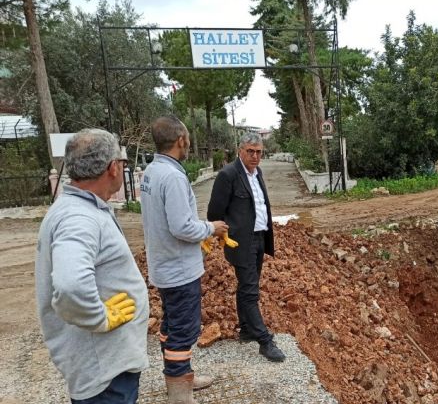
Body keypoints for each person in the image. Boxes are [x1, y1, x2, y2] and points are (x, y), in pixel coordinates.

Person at [36, 129, 149, 403]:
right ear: (112, 168)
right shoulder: (79, 218)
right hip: (104, 375)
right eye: (121, 163)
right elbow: (70, 285)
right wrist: (100, 318)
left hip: (107, 364)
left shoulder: (80, 208)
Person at [140, 116, 229, 402]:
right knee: (183, 330)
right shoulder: (173, 177)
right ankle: (180, 394)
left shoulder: (152, 172)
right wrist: (211, 228)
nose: (188, 143)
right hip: (179, 270)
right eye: (187, 139)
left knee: (170, 327)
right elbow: (181, 227)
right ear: (181, 140)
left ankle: (181, 377)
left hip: (164, 265)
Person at [207, 132, 285, 362]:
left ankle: (246, 330)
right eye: (250, 151)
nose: (255, 156)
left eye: (259, 152)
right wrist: (226, 233)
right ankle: (264, 340)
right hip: (242, 242)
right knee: (250, 291)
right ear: (240, 150)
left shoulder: (257, 172)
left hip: (260, 238)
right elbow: (214, 213)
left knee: (247, 286)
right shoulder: (228, 175)